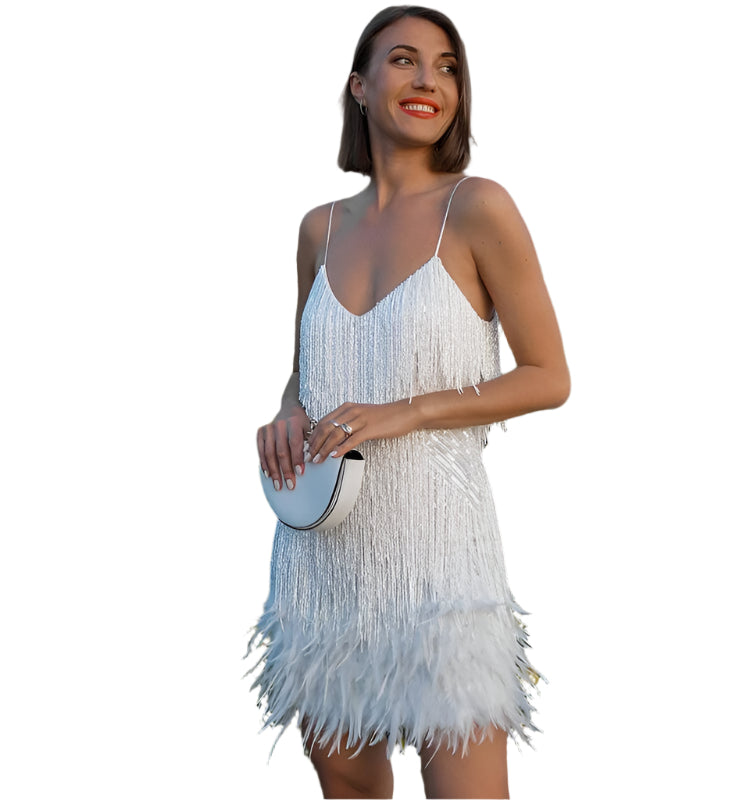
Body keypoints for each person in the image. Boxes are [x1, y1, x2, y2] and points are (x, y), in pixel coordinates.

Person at [250, 6, 569, 798]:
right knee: (350, 788)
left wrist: (410, 410)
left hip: (440, 559)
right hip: (323, 557)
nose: (429, 79)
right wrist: (288, 412)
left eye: (447, 66)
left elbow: (548, 376)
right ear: (359, 86)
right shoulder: (320, 229)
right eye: (404, 60)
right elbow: (307, 372)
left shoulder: (479, 207)